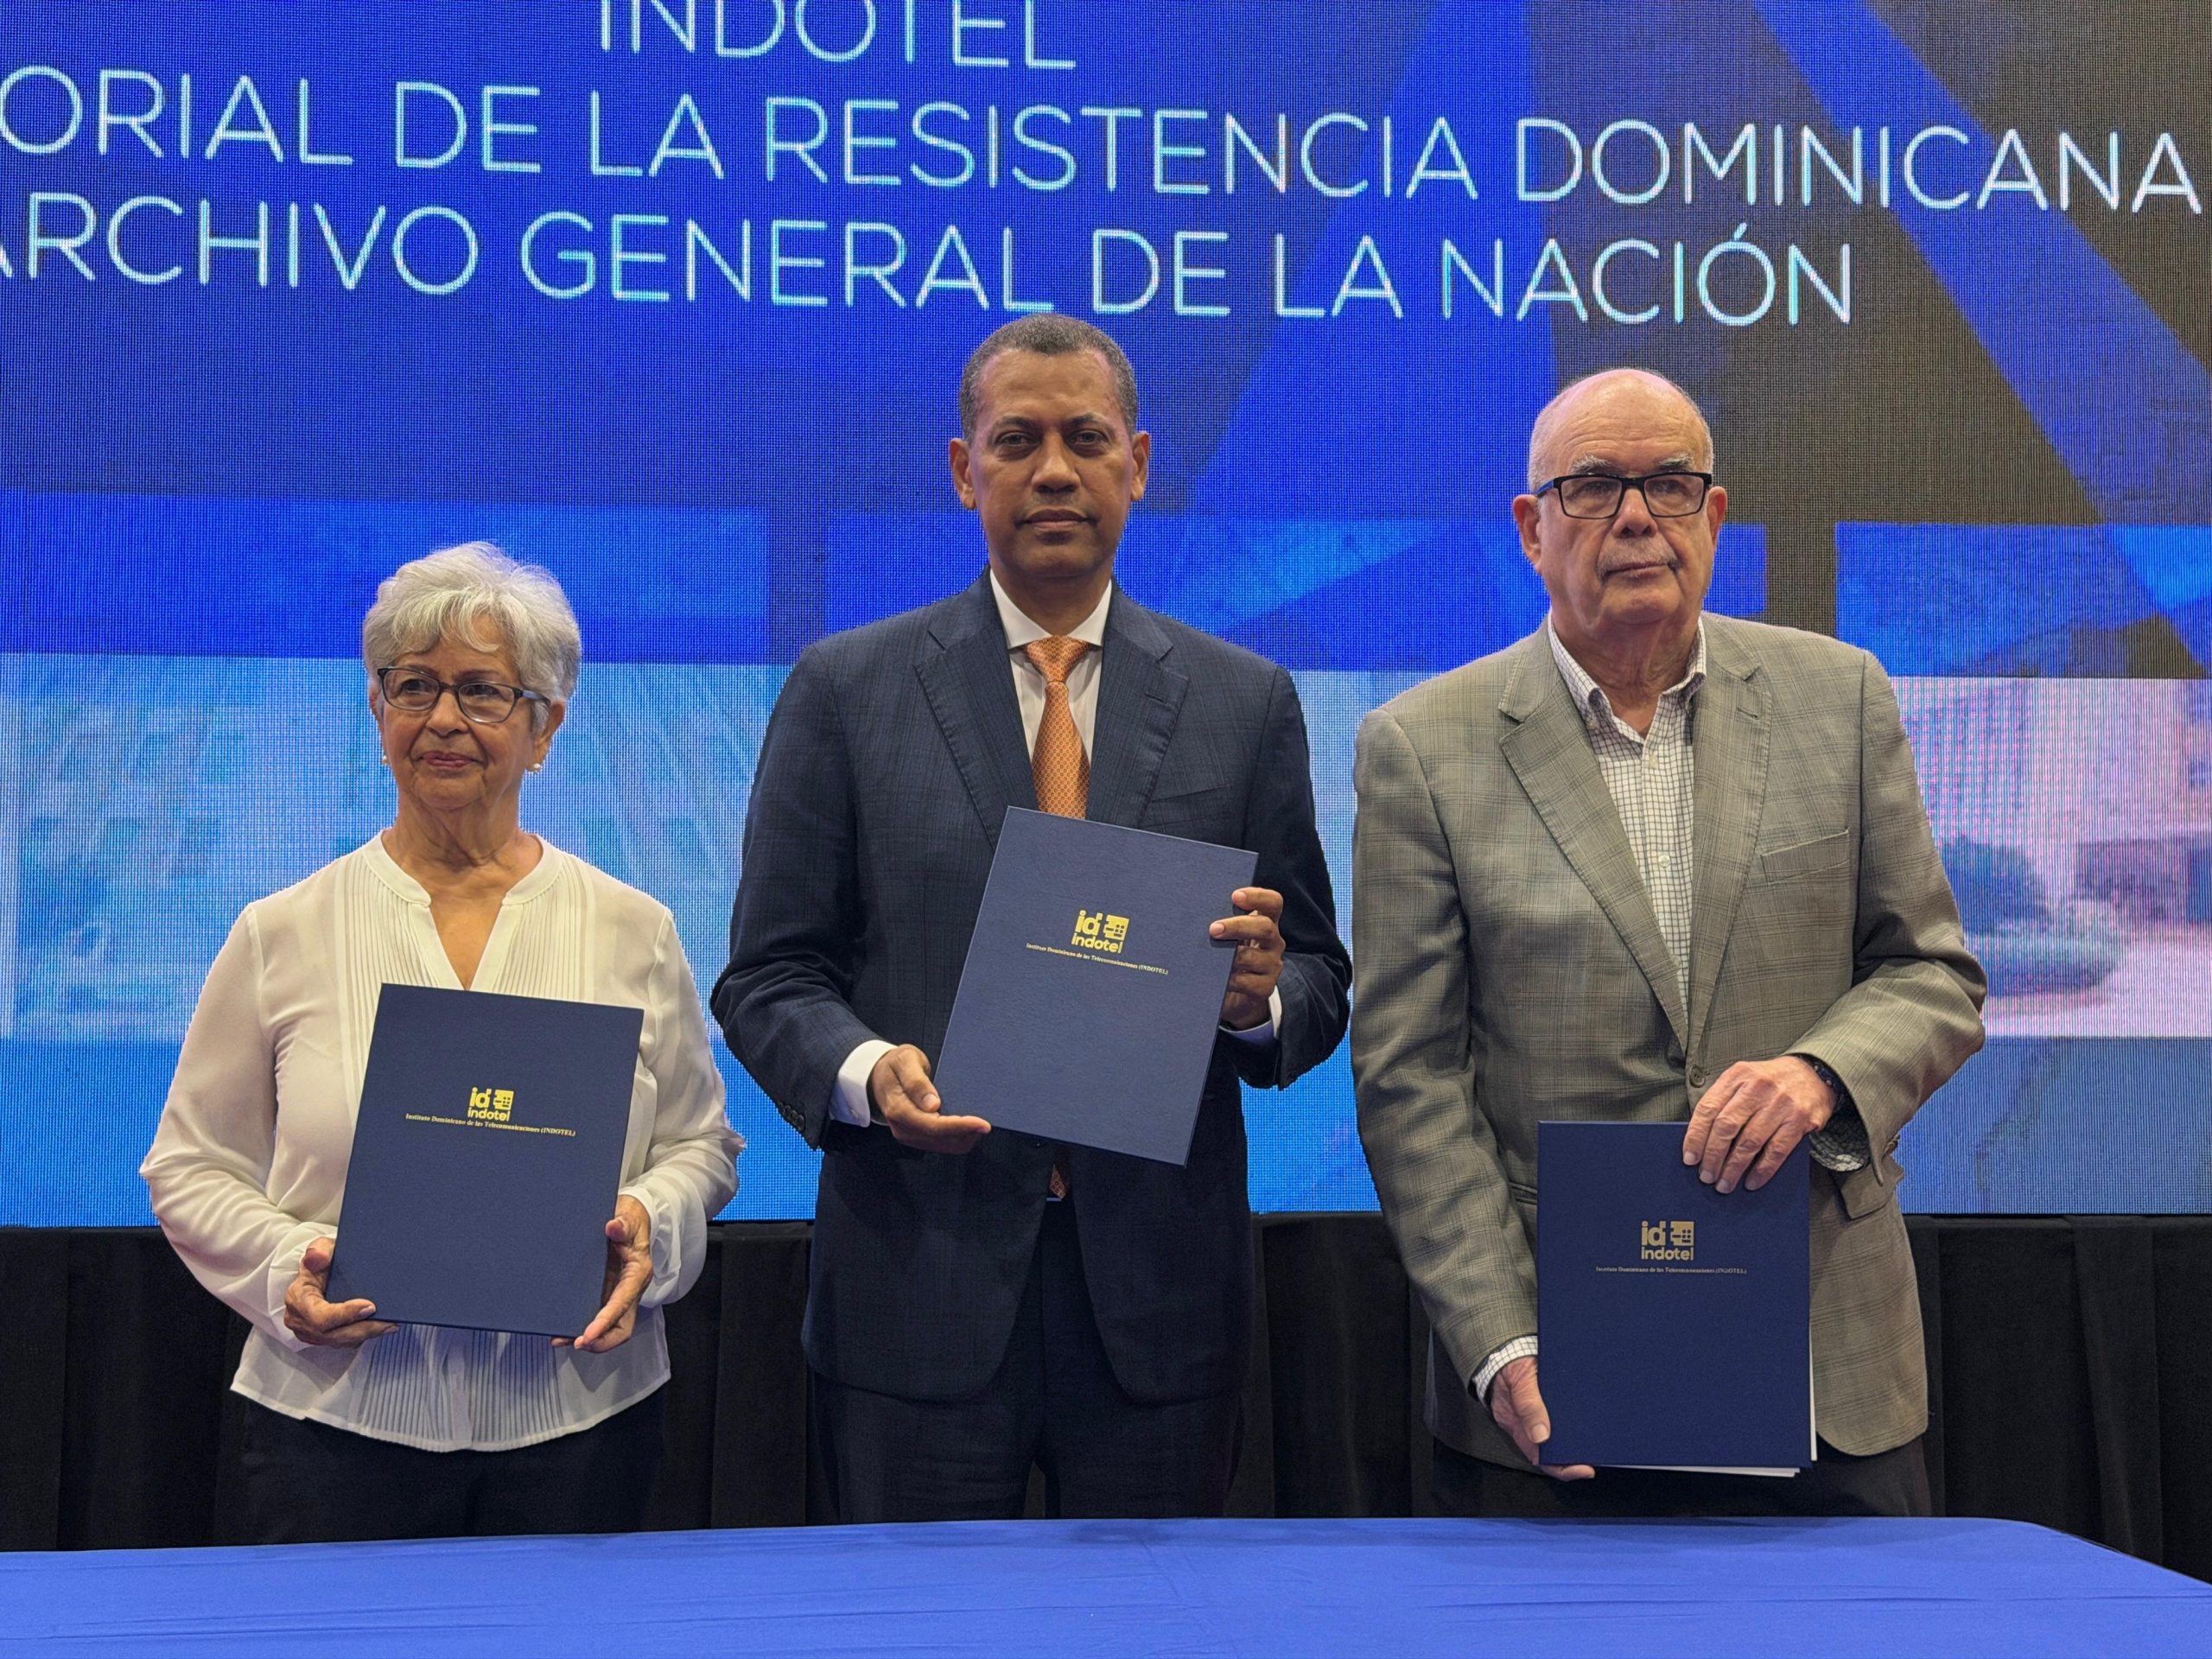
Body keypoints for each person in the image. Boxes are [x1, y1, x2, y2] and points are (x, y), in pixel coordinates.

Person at [715, 315, 1350, 1522]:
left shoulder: (1244, 701)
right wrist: (863, 1070)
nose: (1054, 469)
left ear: (1138, 465)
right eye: (1017, 440)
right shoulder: (845, 689)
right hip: (917, 1288)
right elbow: (767, 977)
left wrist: (1260, 1005)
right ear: (965, 471)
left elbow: (1316, 969)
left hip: (1162, 1305)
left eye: (1085, 438)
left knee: (1161, 1619)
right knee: (920, 1620)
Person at [1351, 368, 1986, 1518]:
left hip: (1824, 1370)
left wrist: (1820, 1074)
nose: (1637, 517)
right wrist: (1497, 1340)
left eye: (1670, 484)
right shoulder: (1422, 747)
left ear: (1715, 514)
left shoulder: (1839, 697)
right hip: (1556, 1379)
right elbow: (1411, 1079)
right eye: (1593, 485)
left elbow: (1931, 974)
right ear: (1530, 527)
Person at [142, 543, 741, 1544]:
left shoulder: (632, 929)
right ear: (377, 711)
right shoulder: (280, 931)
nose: (443, 719)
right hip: (332, 1428)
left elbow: (702, 1146)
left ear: (545, 726)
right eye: (413, 686)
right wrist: (291, 1266)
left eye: (483, 691)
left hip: (581, 1425)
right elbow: (189, 1165)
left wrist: (650, 1222)